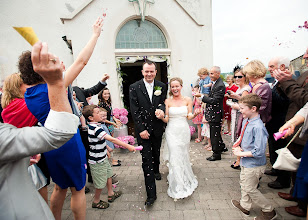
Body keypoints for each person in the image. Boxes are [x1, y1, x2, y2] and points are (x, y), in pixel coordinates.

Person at [20, 17, 104, 220]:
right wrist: (95, 34)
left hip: (49, 144)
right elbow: (82, 61)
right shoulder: (54, 86)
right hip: (68, 141)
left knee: (59, 187)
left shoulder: (29, 94)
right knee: (78, 188)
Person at [0, 41, 79, 220]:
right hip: (35, 148)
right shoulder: (33, 98)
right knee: (46, 188)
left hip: (29, 149)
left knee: (58, 186)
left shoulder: (8, 107)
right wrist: (55, 83)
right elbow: (59, 131)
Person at [272, 47, 308, 218]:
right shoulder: (303, 75)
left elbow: (304, 100)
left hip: (303, 128)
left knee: (302, 168)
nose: (305, 55)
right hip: (295, 123)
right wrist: (283, 82)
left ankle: (303, 204)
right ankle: (295, 194)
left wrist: (287, 82)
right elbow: (290, 95)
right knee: (295, 165)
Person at [231, 94, 277, 220]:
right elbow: (243, 133)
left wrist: (240, 154)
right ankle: (245, 206)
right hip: (246, 162)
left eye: (242, 108)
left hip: (254, 165)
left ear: (253, 109)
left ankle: (269, 210)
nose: (240, 110)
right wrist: (238, 144)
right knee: (244, 183)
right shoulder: (247, 119)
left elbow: (259, 151)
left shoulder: (258, 127)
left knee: (250, 188)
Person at [82, 105, 136, 209]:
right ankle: (96, 201)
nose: (101, 115)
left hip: (103, 158)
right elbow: (112, 139)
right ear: (91, 118)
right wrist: (128, 146)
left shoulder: (95, 126)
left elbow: (97, 141)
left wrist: (106, 149)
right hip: (97, 162)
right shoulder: (96, 129)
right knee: (100, 184)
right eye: (97, 113)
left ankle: (111, 194)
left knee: (108, 175)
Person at [129, 60, 167, 206]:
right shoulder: (134, 87)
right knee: (146, 160)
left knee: (156, 152)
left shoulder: (162, 86)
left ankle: (157, 170)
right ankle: (151, 195)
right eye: (147, 71)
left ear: (155, 72)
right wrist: (141, 129)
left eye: (152, 71)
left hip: (157, 128)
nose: (149, 74)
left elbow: (163, 101)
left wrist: (161, 108)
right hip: (143, 130)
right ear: (142, 72)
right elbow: (135, 110)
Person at [157, 77, 199, 199]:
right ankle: (178, 182)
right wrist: (160, 117)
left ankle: (183, 175)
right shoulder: (167, 101)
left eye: (177, 86)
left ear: (181, 86)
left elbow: (189, 116)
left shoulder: (188, 100)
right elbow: (166, 118)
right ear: (170, 88)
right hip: (171, 131)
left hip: (183, 131)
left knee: (182, 154)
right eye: (172, 86)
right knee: (174, 154)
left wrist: (195, 114)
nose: (175, 88)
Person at [264, 57, 291, 189]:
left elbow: (284, 101)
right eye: (269, 67)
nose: (270, 69)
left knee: (280, 148)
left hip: (281, 122)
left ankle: (283, 179)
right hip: (273, 121)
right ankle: (275, 168)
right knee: (273, 147)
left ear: (282, 67)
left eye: (272, 66)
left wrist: (268, 94)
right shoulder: (275, 82)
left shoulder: (286, 82)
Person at [195, 66, 226, 161]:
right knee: (216, 133)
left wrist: (202, 97)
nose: (210, 75)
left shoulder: (220, 85)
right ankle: (222, 147)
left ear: (218, 73)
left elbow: (215, 100)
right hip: (213, 112)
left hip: (216, 113)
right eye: (210, 73)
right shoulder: (215, 83)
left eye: (212, 73)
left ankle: (216, 154)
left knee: (214, 134)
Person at [227, 66, 251, 169]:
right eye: (235, 76)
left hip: (241, 116)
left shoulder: (246, 89)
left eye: (239, 76)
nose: (237, 79)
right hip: (235, 114)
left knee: (239, 137)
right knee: (236, 136)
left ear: (245, 77)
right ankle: (238, 159)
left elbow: (245, 105)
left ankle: (239, 161)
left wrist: (232, 104)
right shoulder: (239, 88)